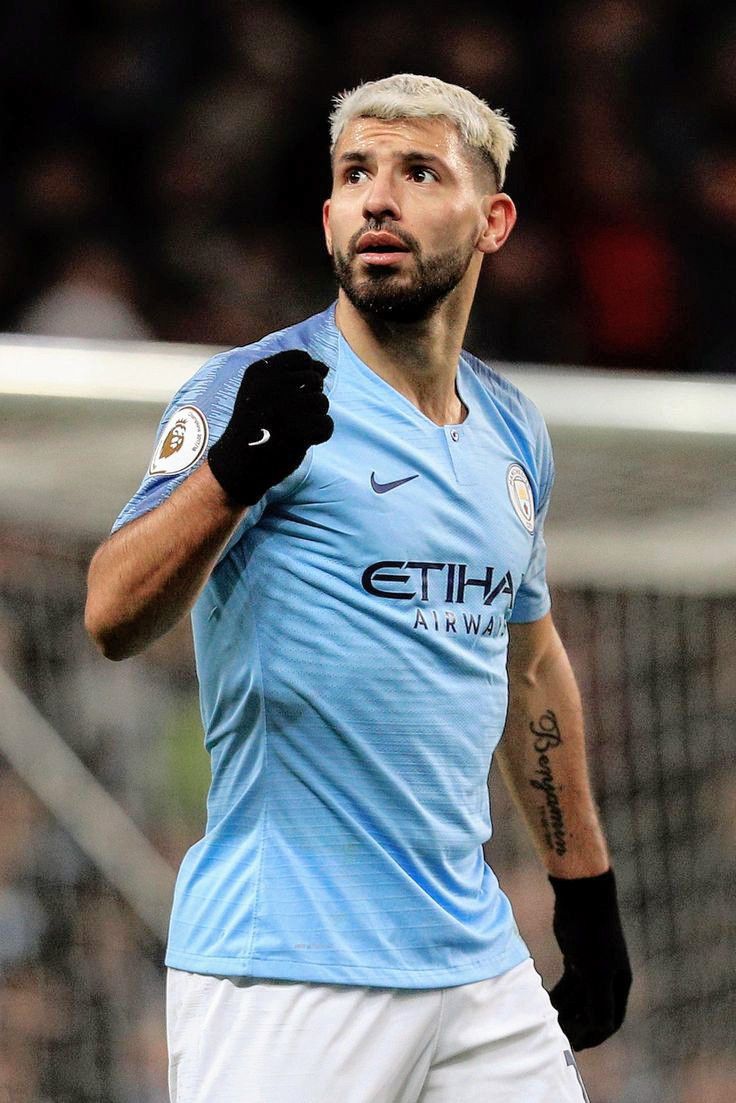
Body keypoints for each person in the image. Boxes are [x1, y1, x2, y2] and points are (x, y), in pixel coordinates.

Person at [85, 73, 631, 1103]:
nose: (378, 197)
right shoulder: (257, 389)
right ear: (330, 215)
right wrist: (231, 473)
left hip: (472, 959)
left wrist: (582, 888)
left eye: (418, 171)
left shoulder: (513, 433)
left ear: (493, 219)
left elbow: (530, 662)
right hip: (285, 966)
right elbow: (110, 612)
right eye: (354, 174)